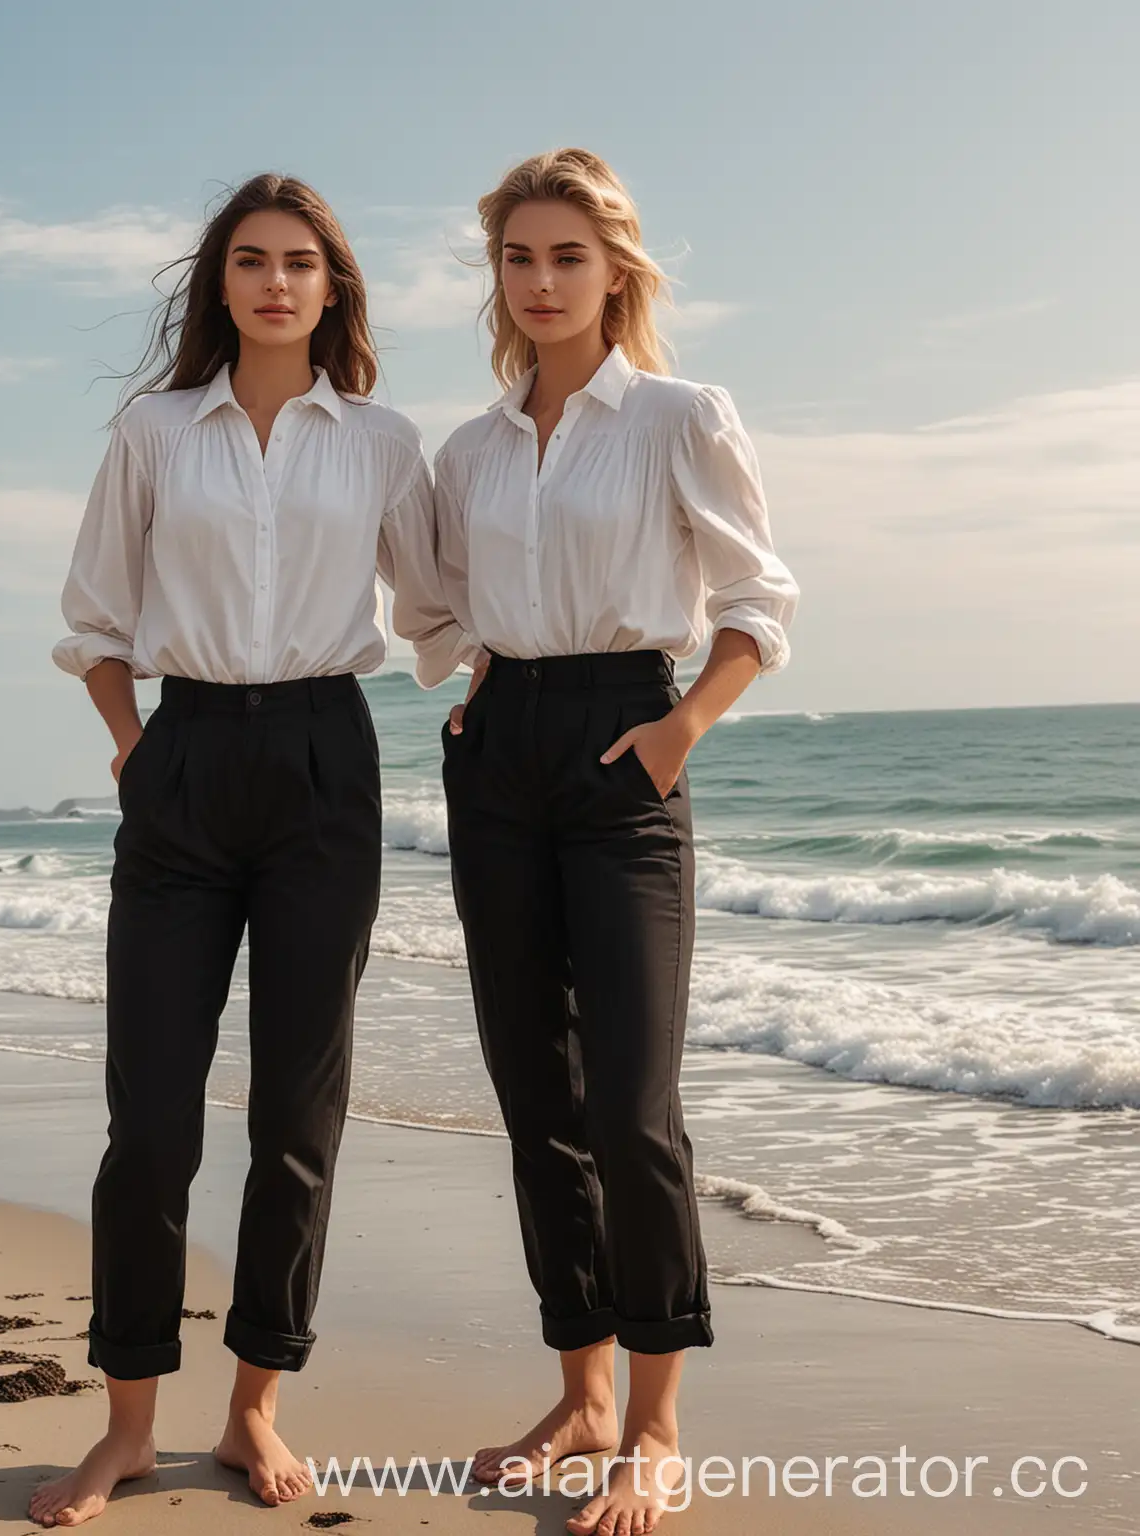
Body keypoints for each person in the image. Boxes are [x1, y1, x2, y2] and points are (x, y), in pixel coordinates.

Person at [34, 172, 459, 1529]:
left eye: (301, 263)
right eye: (251, 261)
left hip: (328, 766)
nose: (277, 282)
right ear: (220, 284)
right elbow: (96, 618)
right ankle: (128, 1429)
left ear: (335, 287)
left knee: (298, 1116)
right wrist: (134, 746)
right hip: (187, 759)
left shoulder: (385, 442)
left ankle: (256, 1406)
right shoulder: (155, 434)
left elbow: (440, 615)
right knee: (148, 1121)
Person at [422, 147, 799, 1535]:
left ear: (616, 269)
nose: (538, 282)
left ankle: (653, 1427)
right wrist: (478, 683)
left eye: (565, 257)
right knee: (538, 1098)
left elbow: (762, 599)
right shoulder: (468, 448)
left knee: (633, 1105)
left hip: (630, 739)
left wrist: (681, 726)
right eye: (517, 258)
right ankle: (578, 1394)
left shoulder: (680, 417)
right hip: (504, 747)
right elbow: (436, 597)